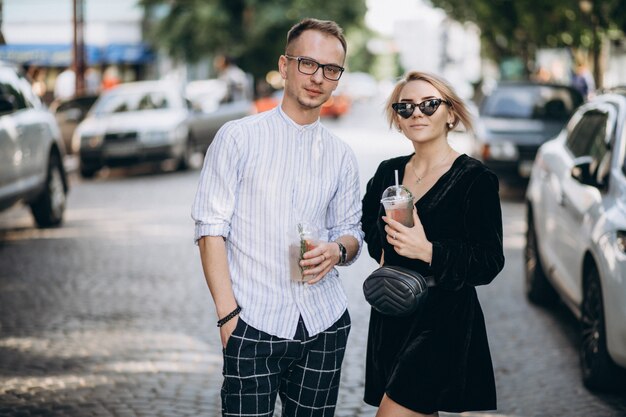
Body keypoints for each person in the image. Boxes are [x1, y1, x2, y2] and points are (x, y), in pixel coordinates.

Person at [192, 18, 363, 417]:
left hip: (324, 324)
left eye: (331, 69)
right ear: (284, 67)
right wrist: (228, 319)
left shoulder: (341, 155)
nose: (318, 77)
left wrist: (337, 250)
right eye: (307, 63)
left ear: (338, 79)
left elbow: (352, 231)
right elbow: (210, 230)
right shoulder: (237, 138)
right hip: (252, 322)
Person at [361, 71, 505, 416]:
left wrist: (427, 250)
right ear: (398, 119)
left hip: (444, 319)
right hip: (392, 310)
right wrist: (384, 245)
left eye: (429, 104)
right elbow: (369, 229)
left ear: (451, 113)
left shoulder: (475, 179)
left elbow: (488, 262)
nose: (417, 114)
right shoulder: (387, 173)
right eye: (405, 107)